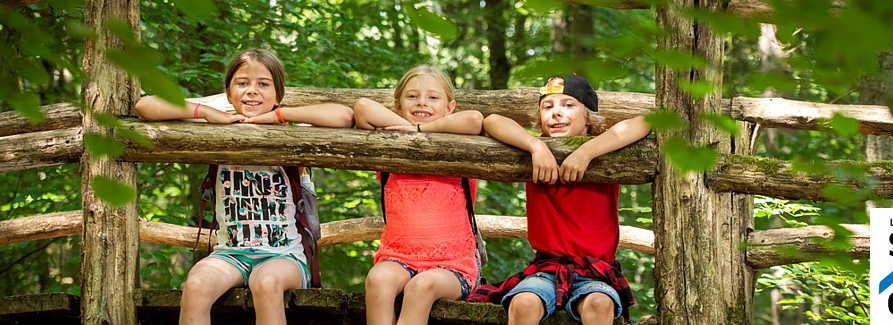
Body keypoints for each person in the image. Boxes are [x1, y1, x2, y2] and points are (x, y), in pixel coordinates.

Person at [135, 49, 354, 325]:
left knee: (266, 283)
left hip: (284, 256)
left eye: (263, 84)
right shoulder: (215, 129)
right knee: (197, 283)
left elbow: (345, 116)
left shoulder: (293, 131)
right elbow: (145, 106)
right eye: (242, 83)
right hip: (230, 255)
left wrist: (279, 116)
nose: (252, 90)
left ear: (278, 94)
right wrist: (208, 113)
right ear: (229, 92)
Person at [469, 76, 647, 325]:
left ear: (588, 116)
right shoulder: (533, 147)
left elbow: (645, 122)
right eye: (548, 106)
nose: (556, 112)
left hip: (595, 271)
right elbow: (491, 121)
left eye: (568, 105)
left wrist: (586, 152)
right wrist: (536, 146)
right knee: (523, 303)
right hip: (547, 268)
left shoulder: (604, 148)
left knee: (599, 303)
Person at [353, 65, 484, 325]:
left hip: (454, 265)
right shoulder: (389, 143)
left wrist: (420, 130)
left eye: (433, 97)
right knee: (377, 279)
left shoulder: (460, 146)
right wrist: (409, 129)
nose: (422, 102)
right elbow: (362, 107)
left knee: (421, 286)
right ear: (398, 105)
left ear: (449, 107)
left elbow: (474, 119)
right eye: (412, 96)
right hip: (398, 258)